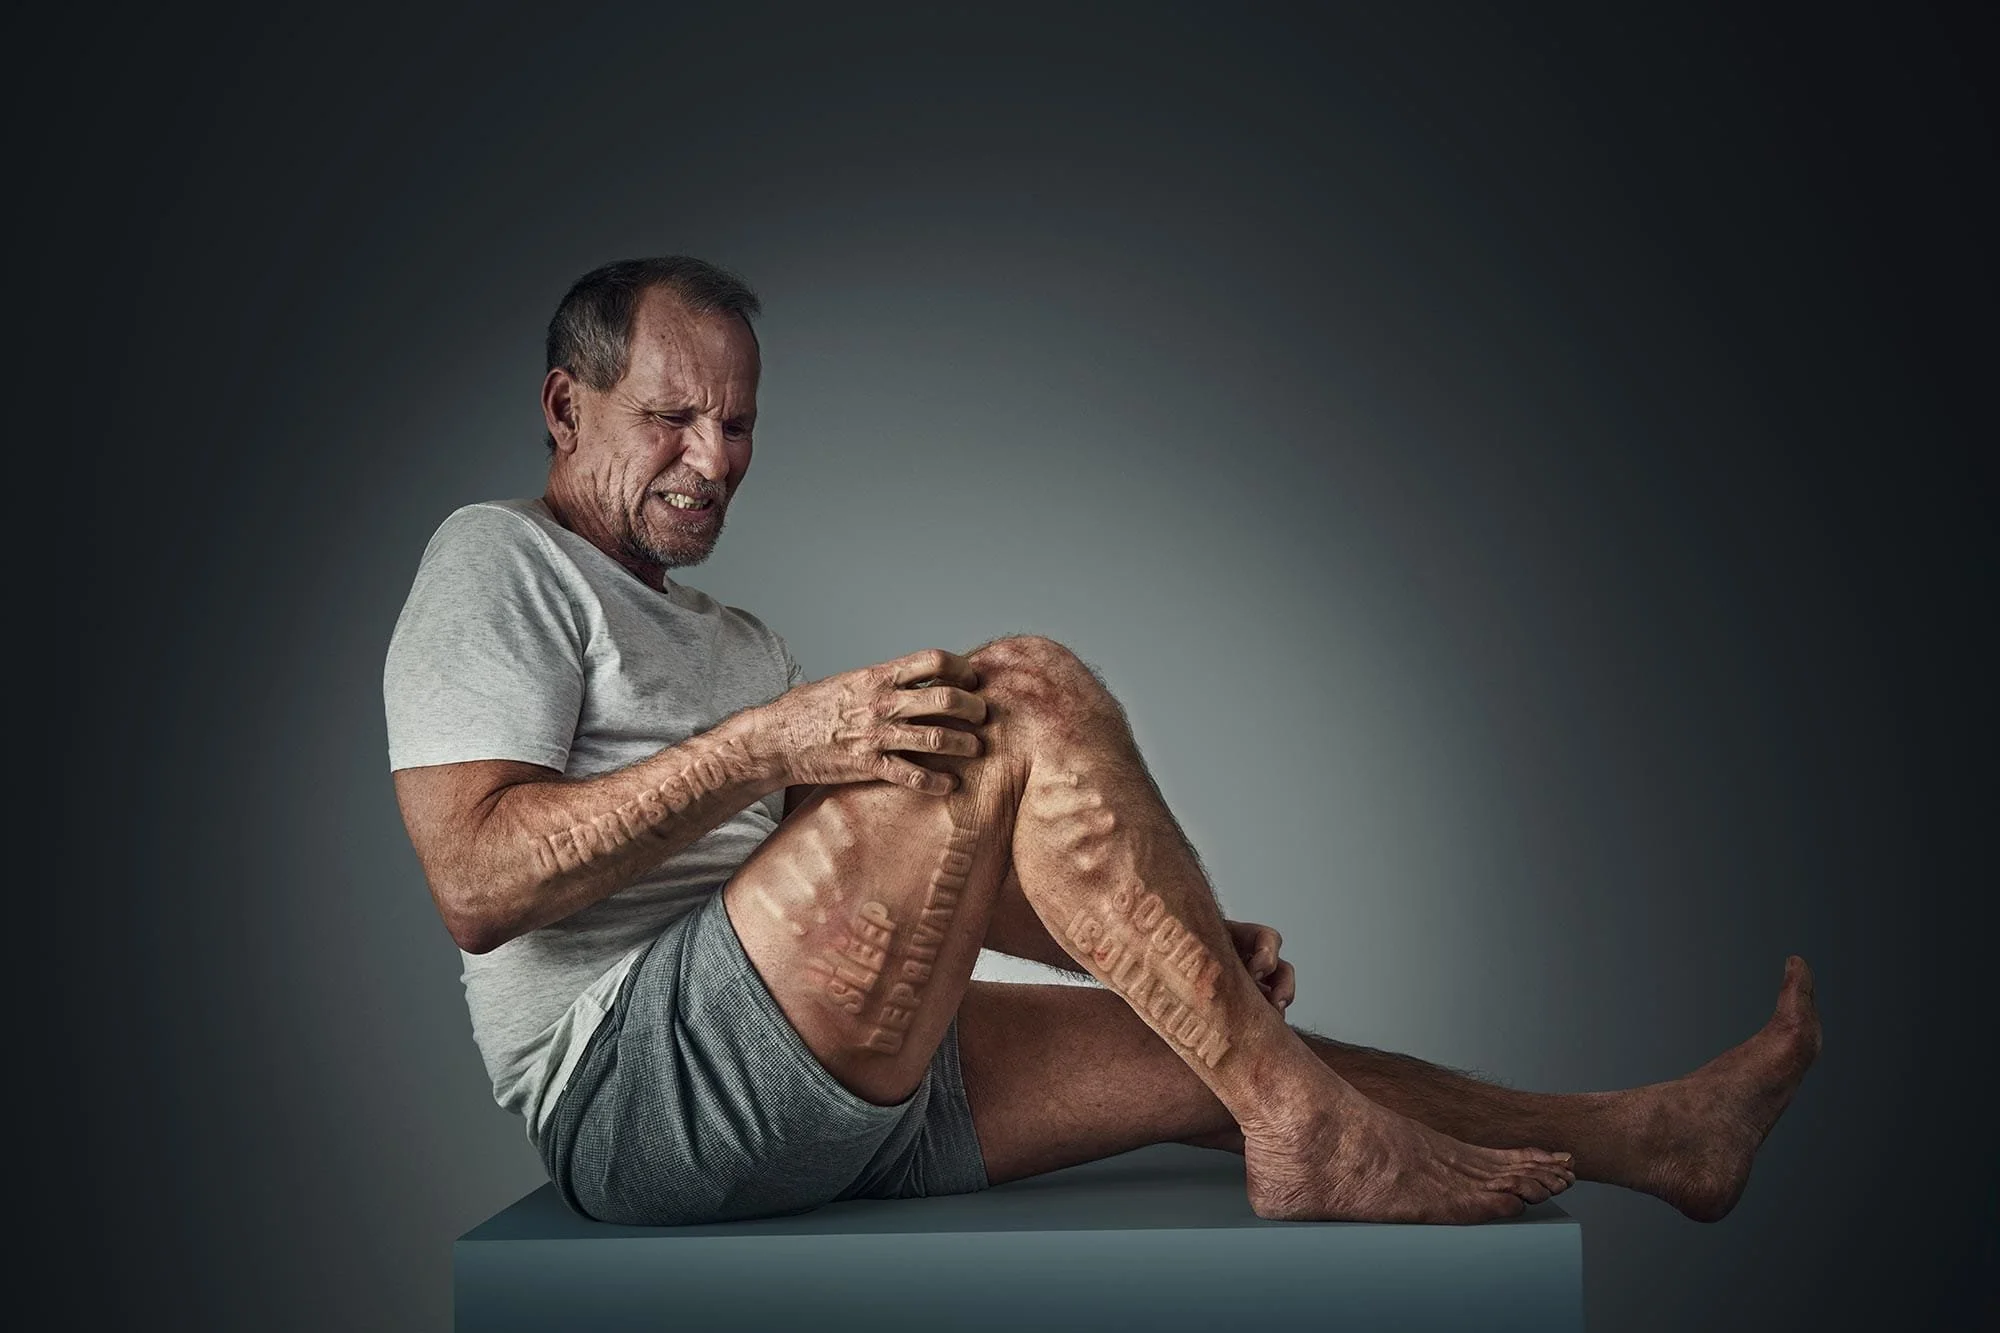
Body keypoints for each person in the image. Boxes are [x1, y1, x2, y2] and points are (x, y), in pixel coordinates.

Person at [384, 255, 1819, 1228]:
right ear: (566, 408)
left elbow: (897, 887)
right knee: (1015, 689)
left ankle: (1657, 1140)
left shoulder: (737, 638)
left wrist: (1161, 934)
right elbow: (476, 882)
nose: (712, 458)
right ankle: (1309, 1144)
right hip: (642, 1090)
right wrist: (765, 744)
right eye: (671, 417)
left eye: (739, 422)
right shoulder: (498, 563)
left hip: (801, 1057)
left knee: (1216, 1028)